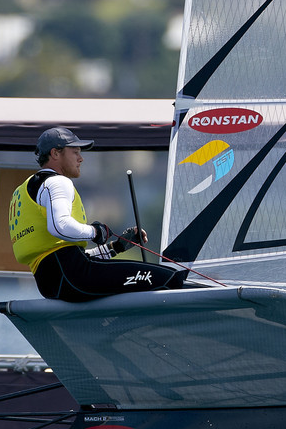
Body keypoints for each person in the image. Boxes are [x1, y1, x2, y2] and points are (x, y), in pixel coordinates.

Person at [10, 126, 188, 302]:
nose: (81, 159)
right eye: (75, 152)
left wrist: (116, 247)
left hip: (52, 283)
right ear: (55, 153)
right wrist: (95, 231)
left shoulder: (23, 190)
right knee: (170, 278)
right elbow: (60, 226)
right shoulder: (57, 182)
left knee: (154, 277)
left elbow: (76, 259)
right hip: (71, 278)